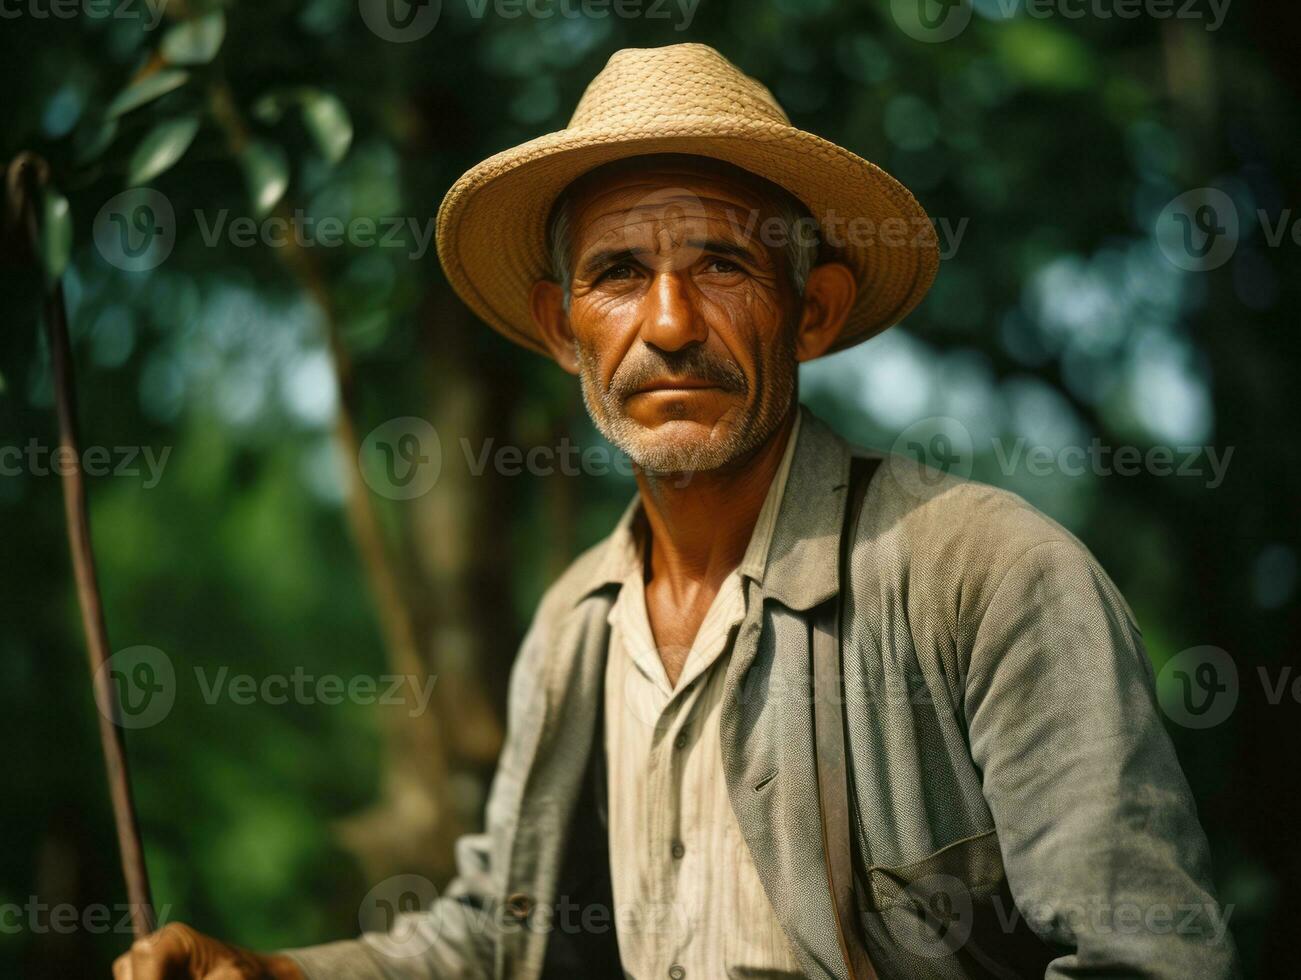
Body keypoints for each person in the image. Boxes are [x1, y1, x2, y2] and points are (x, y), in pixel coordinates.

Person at [113, 43, 1239, 980]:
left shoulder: (986, 576)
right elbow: (483, 931)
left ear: (812, 309)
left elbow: (1149, 957)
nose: (667, 322)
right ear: (563, 330)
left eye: (719, 262)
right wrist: (274, 971)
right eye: (616, 273)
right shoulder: (572, 627)